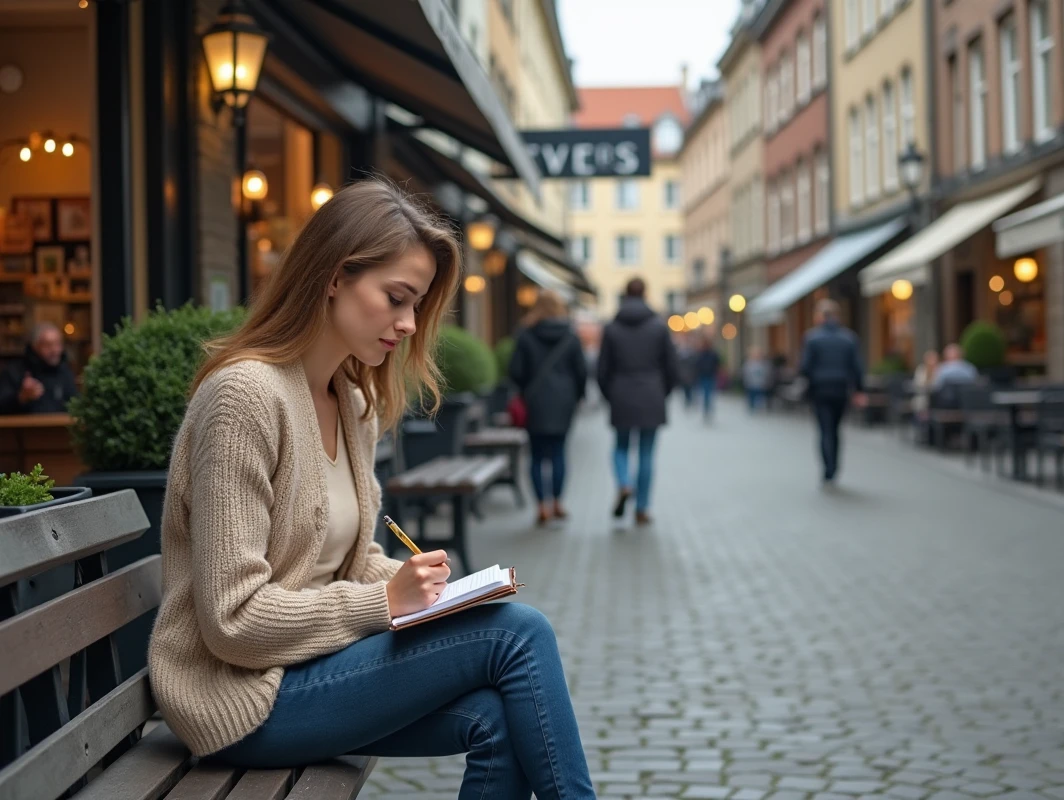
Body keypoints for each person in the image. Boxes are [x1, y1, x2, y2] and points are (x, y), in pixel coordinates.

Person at [148, 179, 596, 798]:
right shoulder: (245, 398)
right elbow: (232, 620)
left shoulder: (351, 401)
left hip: (306, 671)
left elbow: (349, 563)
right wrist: (384, 603)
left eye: (416, 306)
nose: (409, 324)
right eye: (396, 298)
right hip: (239, 697)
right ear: (335, 277)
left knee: (499, 717)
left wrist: (435, 592)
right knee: (518, 633)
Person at [596, 277, 680, 525]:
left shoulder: (611, 327)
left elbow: (602, 369)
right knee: (646, 454)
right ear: (646, 293)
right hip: (652, 394)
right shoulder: (658, 326)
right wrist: (662, 392)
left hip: (621, 394)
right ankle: (642, 508)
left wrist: (610, 394)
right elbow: (672, 367)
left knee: (620, 447)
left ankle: (624, 483)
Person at [508, 290, 588, 526]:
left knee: (536, 456)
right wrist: (578, 396)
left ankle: (541, 506)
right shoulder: (570, 335)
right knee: (559, 453)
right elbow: (581, 371)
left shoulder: (525, 334)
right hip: (564, 402)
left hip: (535, 402)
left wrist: (524, 391)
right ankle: (557, 503)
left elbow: (515, 371)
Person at [799, 299, 864, 483]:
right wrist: (859, 389)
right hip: (841, 389)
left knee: (824, 429)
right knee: (835, 429)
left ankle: (828, 468)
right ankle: (834, 466)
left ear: (821, 317)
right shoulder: (848, 338)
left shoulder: (812, 338)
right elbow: (857, 367)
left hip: (820, 390)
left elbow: (804, 367)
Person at [0, 322, 79, 414]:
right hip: (24, 427)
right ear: (35, 346)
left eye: (58, 344)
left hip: (59, 427)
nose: (55, 350)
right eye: (48, 345)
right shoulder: (14, 371)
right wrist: (21, 397)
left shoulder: (65, 372)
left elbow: (75, 405)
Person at [693, 334, 721, 422]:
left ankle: (707, 408)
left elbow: (716, 364)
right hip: (704, 376)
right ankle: (707, 408)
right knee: (707, 393)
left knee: (707, 393)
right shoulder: (701, 353)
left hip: (709, 375)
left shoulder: (710, 354)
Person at [743, 346, 771, 412]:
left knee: (760, 398)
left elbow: (767, 373)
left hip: (761, 384)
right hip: (751, 384)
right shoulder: (748, 363)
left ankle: (759, 408)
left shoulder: (764, 364)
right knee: (751, 397)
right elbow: (746, 373)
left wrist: (766, 381)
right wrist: (746, 381)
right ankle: (751, 408)